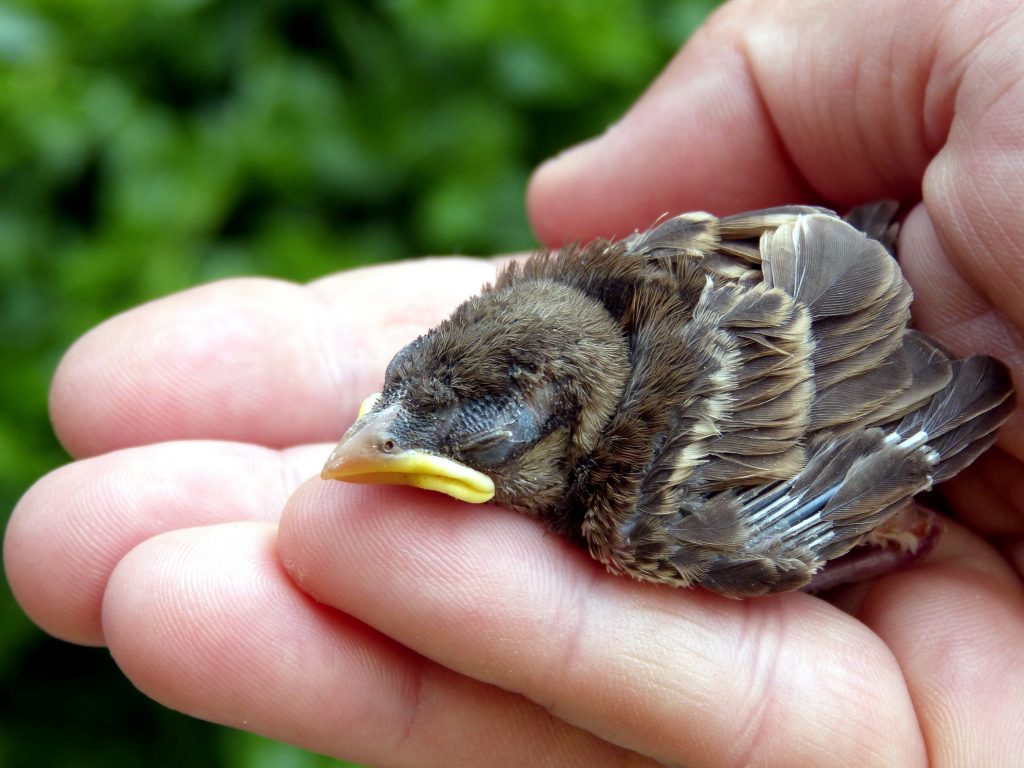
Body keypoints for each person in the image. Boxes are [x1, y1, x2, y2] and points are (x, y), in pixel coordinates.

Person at [6, 0, 1024, 764]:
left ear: (558, 437)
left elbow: (810, 486)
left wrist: (893, 482)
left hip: (864, 342)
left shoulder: (636, 505)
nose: (377, 442)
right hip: (824, 273)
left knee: (706, 542)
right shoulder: (552, 297)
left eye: (485, 446)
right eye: (397, 412)